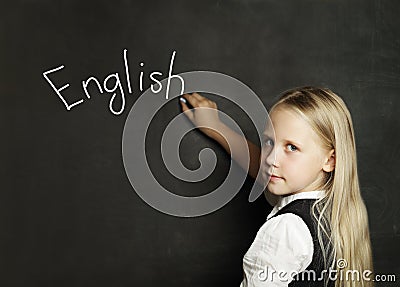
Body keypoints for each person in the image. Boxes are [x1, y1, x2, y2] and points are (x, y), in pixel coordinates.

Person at [179, 87, 373, 287]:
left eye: (292, 147)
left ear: (330, 160)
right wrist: (217, 127)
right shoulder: (338, 211)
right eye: (269, 142)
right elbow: (264, 166)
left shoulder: (288, 228)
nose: (271, 159)